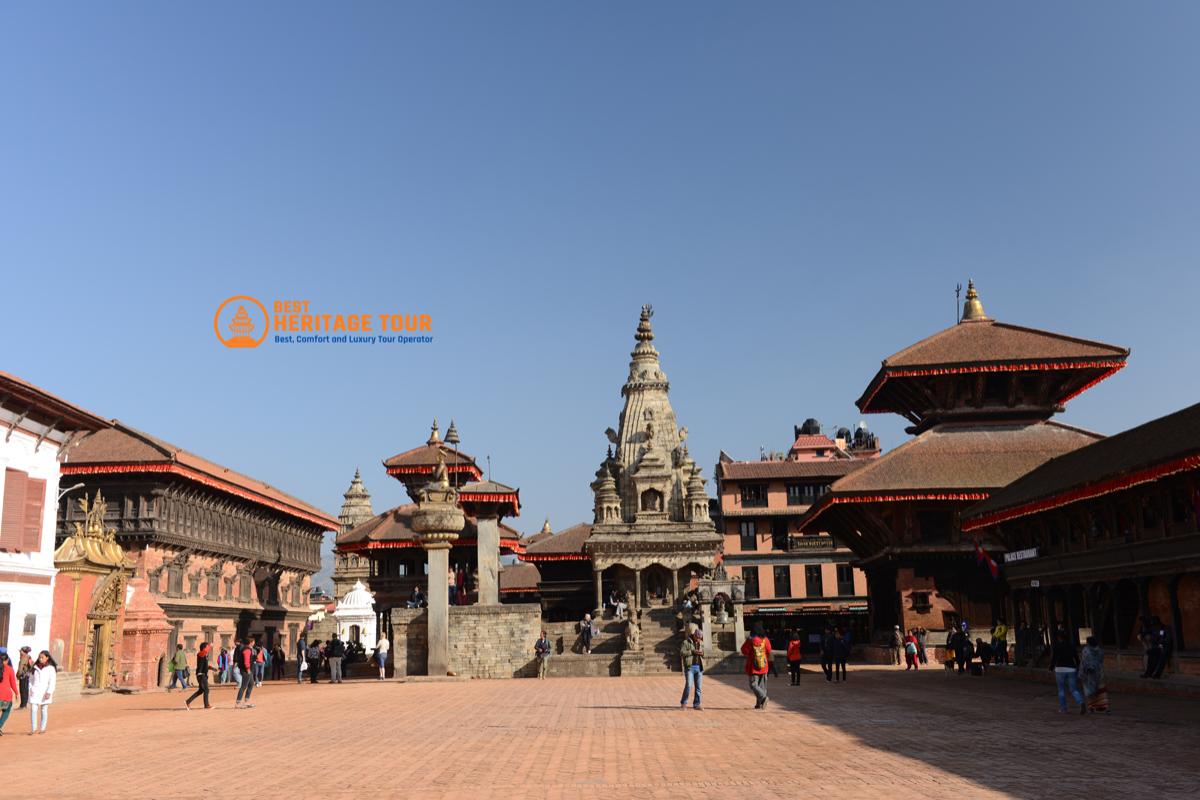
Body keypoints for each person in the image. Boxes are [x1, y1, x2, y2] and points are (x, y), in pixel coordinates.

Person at [1049, 632, 1086, 715]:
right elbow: (1076, 657)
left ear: (1059, 638)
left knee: (1061, 690)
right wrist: (1078, 665)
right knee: (1073, 689)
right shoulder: (1072, 646)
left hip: (1059, 669)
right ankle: (1081, 702)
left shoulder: (1057, 646)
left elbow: (1054, 658)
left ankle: (1063, 709)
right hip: (1071, 668)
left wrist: (1051, 668)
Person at [741, 622, 772, 709]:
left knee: (753, 685)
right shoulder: (765, 639)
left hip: (753, 666)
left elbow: (744, 651)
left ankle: (763, 698)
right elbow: (769, 650)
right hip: (764, 666)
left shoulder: (751, 640)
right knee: (761, 686)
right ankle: (759, 704)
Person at [28, 650, 56, 734]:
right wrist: (31, 689)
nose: (40, 659)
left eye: (42, 657)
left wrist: (49, 692)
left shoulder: (51, 668)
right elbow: (30, 680)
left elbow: (52, 681)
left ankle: (43, 728)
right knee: (33, 709)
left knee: (44, 709)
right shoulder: (35, 667)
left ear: (47, 658)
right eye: (39, 657)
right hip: (35, 691)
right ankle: (34, 728)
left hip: (45, 692)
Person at [1079, 636, 1110, 714]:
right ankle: (1105, 707)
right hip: (1099, 672)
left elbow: (1084, 662)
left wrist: (1081, 672)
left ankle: (1092, 707)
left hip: (1089, 674)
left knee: (1089, 690)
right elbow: (1101, 660)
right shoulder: (1100, 650)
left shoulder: (1086, 650)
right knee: (1101, 691)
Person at [185, 642, 216, 710]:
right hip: (201, 675)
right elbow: (203, 652)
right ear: (204, 648)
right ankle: (207, 705)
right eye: (207, 647)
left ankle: (188, 701)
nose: (209, 649)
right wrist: (210, 646)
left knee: (201, 690)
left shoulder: (204, 655)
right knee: (206, 690)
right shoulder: (201, 654)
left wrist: (213, 668)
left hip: (202, 675)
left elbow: (206, 666)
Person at [679, 629, 704, 710]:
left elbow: (704, 653)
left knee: (698, 688)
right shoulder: (686, 642)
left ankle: (696, 704)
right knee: (689, 686)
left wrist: (702, 653)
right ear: (694, 635)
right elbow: (682, 653)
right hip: (690, 668)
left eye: (700, 638)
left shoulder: (700, 643)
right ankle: (683, 703)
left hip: (699, 667)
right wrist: (692, 652)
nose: (698, 639)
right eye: (697, 638)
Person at [0, 650, 18, 735]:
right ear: (7, 661)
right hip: (6, 696)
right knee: (6, 711)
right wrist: (17, 693)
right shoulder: (10, 669)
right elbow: (13, 683)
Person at [234, 638, 256, 709]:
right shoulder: (247, 649)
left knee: (251, 684)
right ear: (251, 642)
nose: (254, 643)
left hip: (248, 670)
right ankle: (238, 703)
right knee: (244, 686)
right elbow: (246, 660)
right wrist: (248, 669)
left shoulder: (247, 649)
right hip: (246, 670)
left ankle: (246, 701)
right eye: (253, 641)